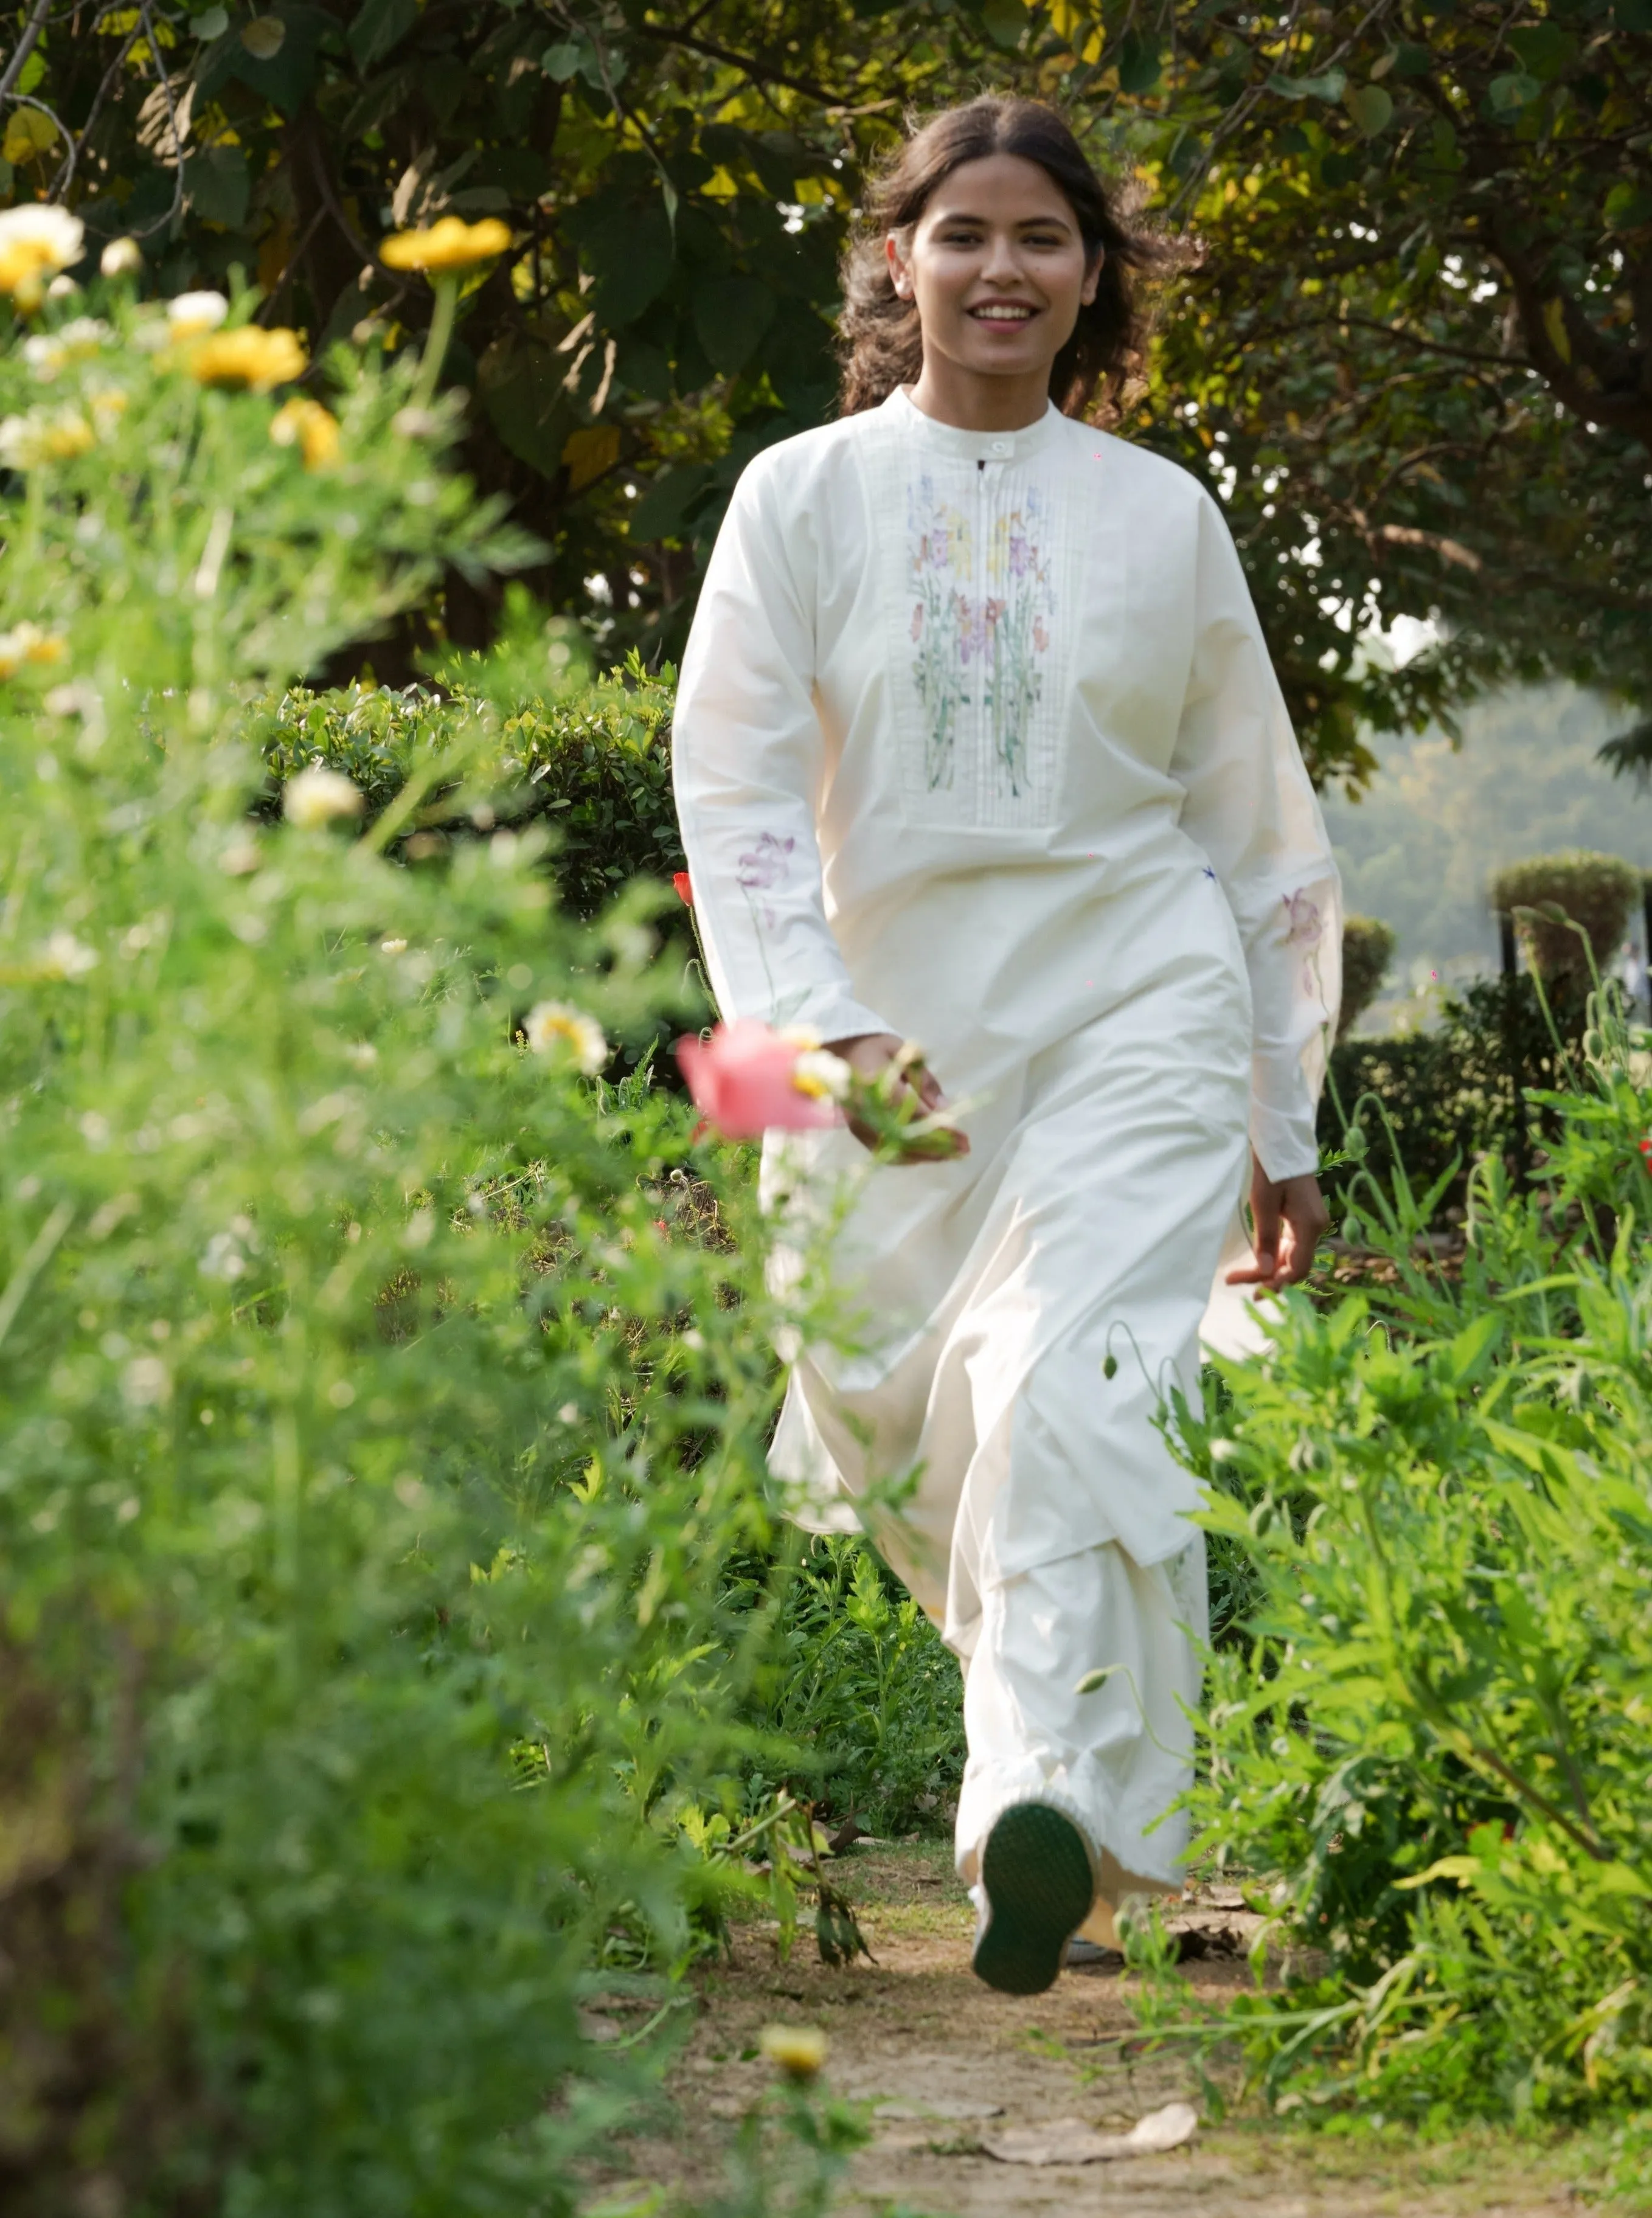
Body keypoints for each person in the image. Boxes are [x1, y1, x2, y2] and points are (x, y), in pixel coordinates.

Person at [672, 95, 1341, 1995]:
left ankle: (1033, 1811)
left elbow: (1254, 831)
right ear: (899, 258)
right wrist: (821, 1032)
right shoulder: (798, 497)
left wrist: (1273, 1110)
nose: (999, 269)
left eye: (1041, 237)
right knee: (936, 1431)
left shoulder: (1161, 516)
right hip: (899, 1054)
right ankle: (1073, 1788)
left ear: (1090, 277)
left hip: (1136, 996)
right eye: (961, 233)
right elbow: (728, 795)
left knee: (1072, 1385)